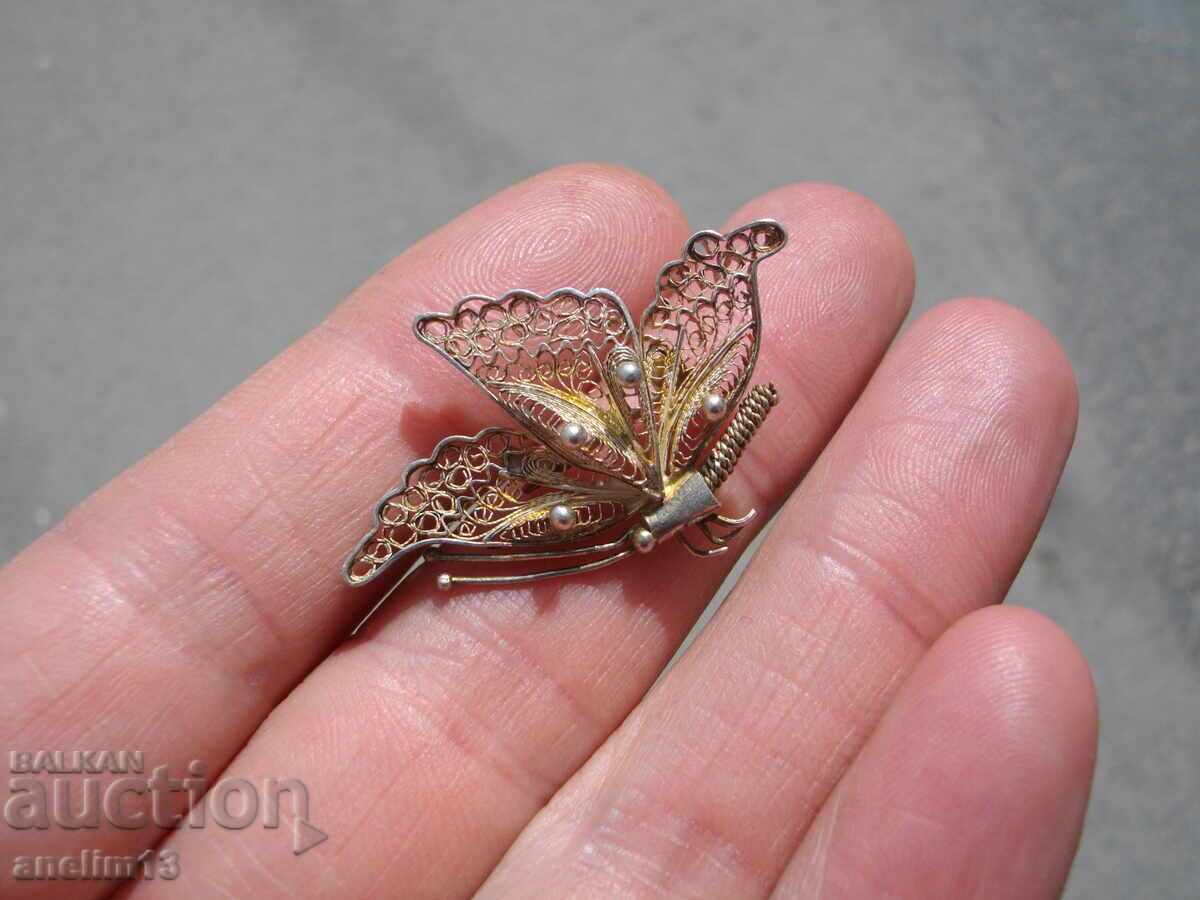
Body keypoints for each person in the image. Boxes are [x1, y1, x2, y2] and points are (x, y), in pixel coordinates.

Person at [0, 165, 1096, 898]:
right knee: (510, 487)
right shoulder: (651, 484)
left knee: (527, 484)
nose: (692, 515)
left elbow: (710, 361)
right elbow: (703, 362)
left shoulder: (648, 505)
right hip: (605, 413)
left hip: (611, 425)